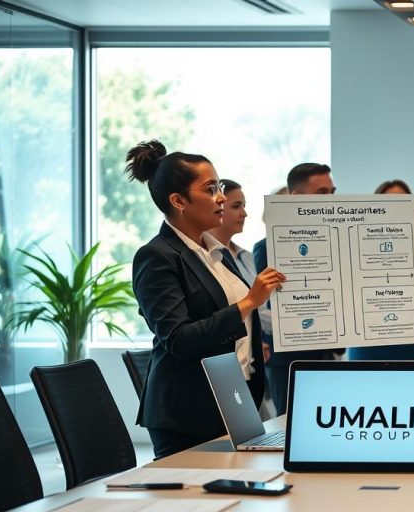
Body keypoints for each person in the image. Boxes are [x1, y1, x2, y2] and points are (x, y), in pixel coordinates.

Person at [127, 140, 285, 458]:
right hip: (188, 412)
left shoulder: (213, 251)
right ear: (178, 200)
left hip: (232, 400)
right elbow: (179, 339)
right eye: (210, 188)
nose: (222, 197)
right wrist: (249, 301)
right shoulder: (156, 256)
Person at [252, 163, 336, 415]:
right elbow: (269, 304)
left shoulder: (336, 242)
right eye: (322, 193)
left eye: (332, 192)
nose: (331, 200)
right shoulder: (268, 246)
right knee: (288, 429)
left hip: (325, 354)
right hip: (288, 360)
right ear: (296, 199)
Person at [348, 178, 414, 361]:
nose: (395, 209)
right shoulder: (355, 243)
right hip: (367, 337)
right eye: (389, 203)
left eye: (402, 203)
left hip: (409, 337)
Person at [206, 179, 256, 284]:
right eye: (236, 206)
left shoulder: (248, 256)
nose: (244, 213)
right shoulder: (203, 257)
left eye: (244, 206)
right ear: (216, 206)